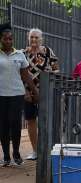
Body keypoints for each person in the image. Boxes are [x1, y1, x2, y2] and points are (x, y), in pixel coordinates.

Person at [0, 23, 38, 166]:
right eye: (5, 39)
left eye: (11, 39)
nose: (8, 41)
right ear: (1, 40)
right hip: (1, 95)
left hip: (16, 94)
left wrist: (34, 91)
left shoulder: (20, 54)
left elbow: (26, 76)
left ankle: (16, 153)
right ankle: (6, 155)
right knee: (3, 125)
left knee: (15, 123)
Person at [23, 28, 60, 161]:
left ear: (41, 39)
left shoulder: (48, 52)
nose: (34, 40)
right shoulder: (24, 53)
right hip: (29, 94)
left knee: (45, 121)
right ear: (28, 38)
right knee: (31, 121)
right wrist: (25, 91)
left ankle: (47, 148)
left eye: (36, 37)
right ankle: (35, 151)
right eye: (31, 37)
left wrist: (48, 75)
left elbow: (57, 69)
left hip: (45, 93)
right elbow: (19, 74)